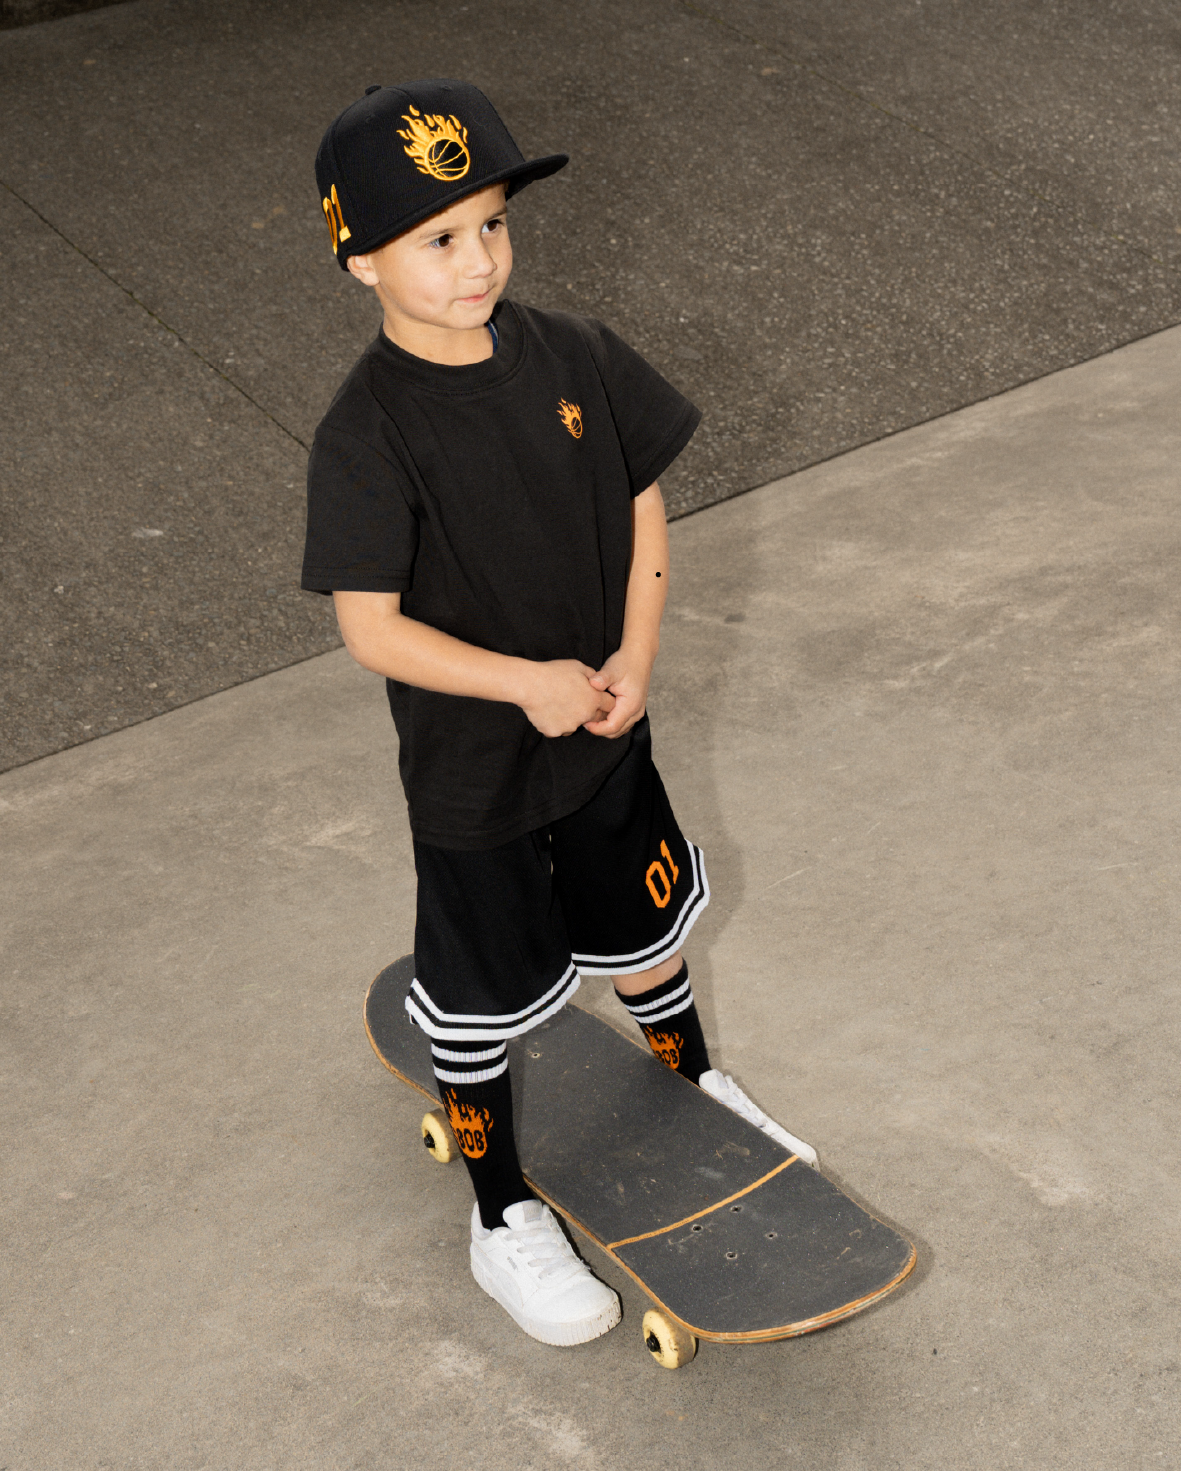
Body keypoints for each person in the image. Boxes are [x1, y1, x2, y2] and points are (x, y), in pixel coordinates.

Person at [302, 79, 816, 1348]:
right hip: (473, 777)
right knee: (479, 1002)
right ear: (360, 259)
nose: (474, 261)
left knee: (643, 935)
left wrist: (633, 652)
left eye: (489, 224)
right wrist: (518, 680)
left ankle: (693, 1080)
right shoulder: (366, 433)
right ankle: (499, 1215)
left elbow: (638, 497)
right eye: (436, 240)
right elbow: (368, 625)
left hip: (598, 736)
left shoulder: (574, 351)